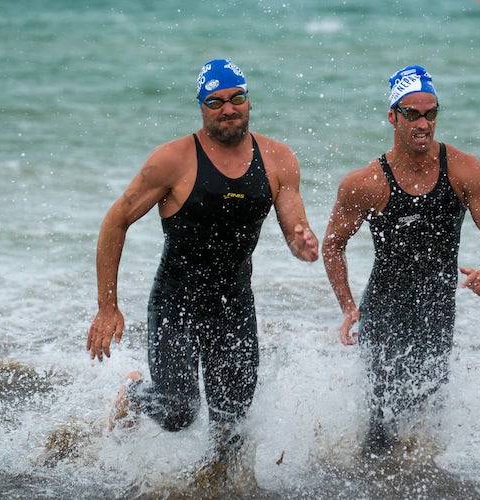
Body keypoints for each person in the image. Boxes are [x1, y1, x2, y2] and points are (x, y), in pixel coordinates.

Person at [86, 59, 318, 464]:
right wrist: (108, 306)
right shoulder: (173, 160)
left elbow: (295, 229)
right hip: (177, 302)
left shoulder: (279, 159)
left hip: (235, 305)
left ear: (248, 101)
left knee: (231, 429)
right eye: (215, 102)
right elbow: (115, 221)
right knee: (178, 412)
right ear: (201, 107)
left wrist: (304, 244)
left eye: (237, 98)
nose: (228, 109)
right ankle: (135, 392)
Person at [322, 65, 480, 453]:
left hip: (438, 309)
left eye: (431, 112)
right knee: (381, 425)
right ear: (393, 116)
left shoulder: (463, 169)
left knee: (425, 422)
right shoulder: (365, 183)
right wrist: (348, 307)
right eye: (412, 114)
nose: (423, 123)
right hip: (385, 308)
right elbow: (332, 245)